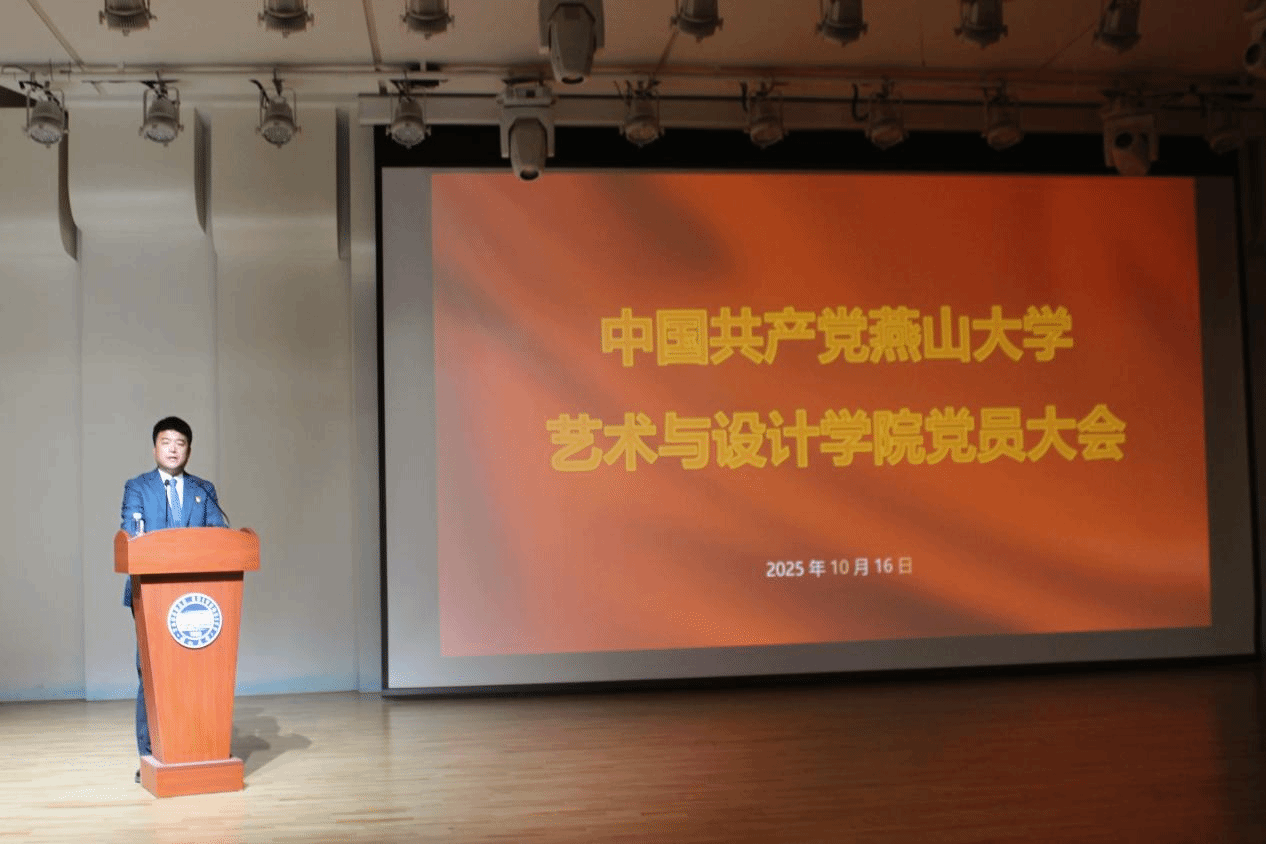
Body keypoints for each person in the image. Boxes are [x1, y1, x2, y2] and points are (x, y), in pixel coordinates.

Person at [120, 416, 228, 783]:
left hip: (197, 594)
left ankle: (196, 749)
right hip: (150, 594)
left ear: (189, 451)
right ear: (155, 449)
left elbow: (219, 536)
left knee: (195, 674)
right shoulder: (138, 487)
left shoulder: (203, 489)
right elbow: (132, 532)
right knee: (152, 676)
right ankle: (151, 755)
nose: (173, 449)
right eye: (166, 442)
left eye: (180, 443)